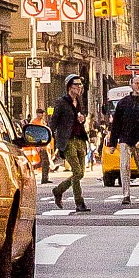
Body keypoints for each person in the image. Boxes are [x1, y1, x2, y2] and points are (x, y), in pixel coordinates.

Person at [110, 74, 139, 206]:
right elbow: (116, 124)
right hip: (125, 140)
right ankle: (126, 195)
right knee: (124, 167)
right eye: (137, 83)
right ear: (131, 84)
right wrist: (113, 143)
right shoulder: (123, 103)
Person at [49, 72, 90, 212]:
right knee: (77, 172)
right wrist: (50, 139)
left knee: (81, 173)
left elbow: (81, 116)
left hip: (80, 139)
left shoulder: (79, 101)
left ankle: (58, 191)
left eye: (80, 85)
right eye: (76, 85)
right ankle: (79, 202)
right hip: (68, 140)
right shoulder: (61, 102)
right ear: (69, 87)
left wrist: (82, 119)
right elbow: (53, 121)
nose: (79, 87)